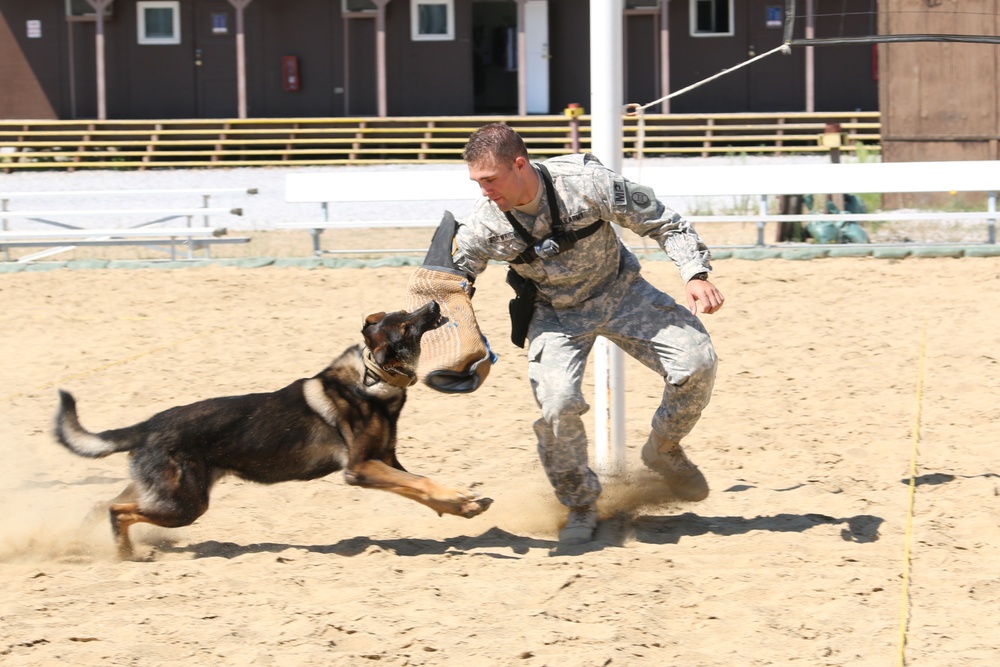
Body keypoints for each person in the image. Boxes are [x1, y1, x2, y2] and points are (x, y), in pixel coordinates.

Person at [451, 123, 724, 545]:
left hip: (622, 292)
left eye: (490, 179)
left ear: (519, 164)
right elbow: (454, 277)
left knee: (697, 363)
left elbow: (664, 222)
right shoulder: (485, 223)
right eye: (477, 182)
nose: (484, 191)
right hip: (555, 314)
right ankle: (579, 505)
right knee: (558, 405)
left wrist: (694, 273)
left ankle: (664, 450)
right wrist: (446, 323)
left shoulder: (587, 183)